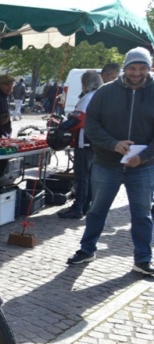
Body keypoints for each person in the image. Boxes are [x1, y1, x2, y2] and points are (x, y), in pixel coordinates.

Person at [66, 47, 154, 276]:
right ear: (124, 68)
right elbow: (92, 125)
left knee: (142, 213)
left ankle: (143, 259)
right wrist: (113, 144)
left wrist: (143, 156)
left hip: (143, 167)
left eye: (142, 67)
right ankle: (87, 250)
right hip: (107, 162)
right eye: (132, 67)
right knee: (96, 209)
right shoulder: (105, 92)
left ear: (149, 67)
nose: (137, 72)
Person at [57, 70, 103, 219]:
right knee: (90, 177)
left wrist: (61, 127)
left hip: (85, 141)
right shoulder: (101, 96)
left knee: (82, 176)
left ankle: (78, 207)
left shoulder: (88, 97)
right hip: (97, 142)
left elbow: (78, 119)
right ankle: (86, 205)